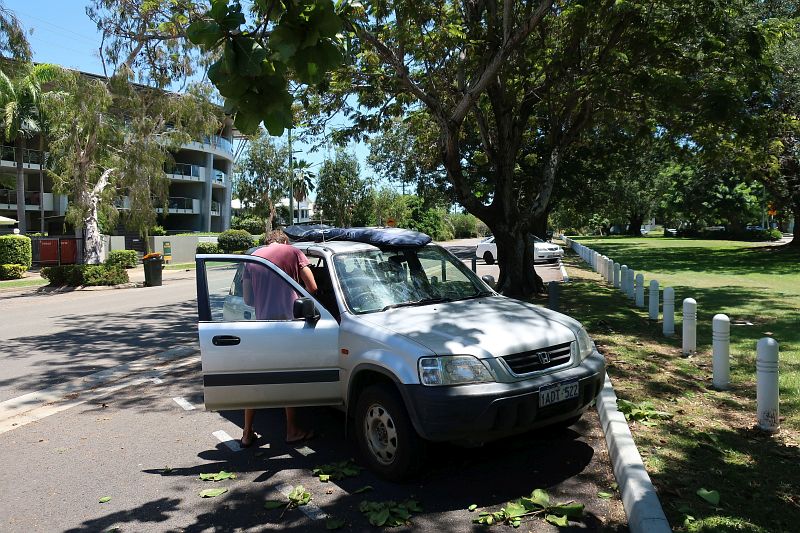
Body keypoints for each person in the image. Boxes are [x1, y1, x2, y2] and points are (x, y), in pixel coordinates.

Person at [240, 229, 318, 447]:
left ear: (267, 242)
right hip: (287, 326)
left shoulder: (252, 258)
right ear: (285, 241)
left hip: (262, 327)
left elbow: (247, 299)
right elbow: (312, 287)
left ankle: (246, 433)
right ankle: (292, 430)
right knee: (287, 378)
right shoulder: (293, 252)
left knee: (257, 380)